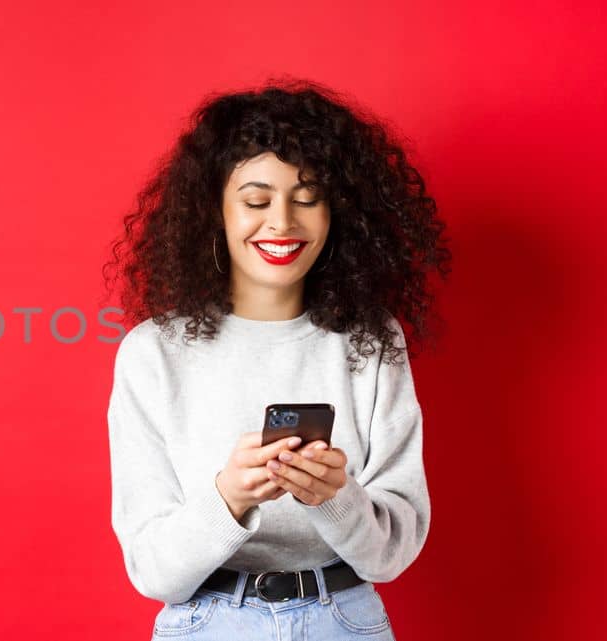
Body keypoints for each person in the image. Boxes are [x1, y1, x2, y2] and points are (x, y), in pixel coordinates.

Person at [101, 78, 451, 640]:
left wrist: (337, 498)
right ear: (214, 210)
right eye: (257, 201)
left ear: (339, 213)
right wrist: (230, 497)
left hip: (345, 621)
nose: (283, 223)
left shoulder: (371, 341)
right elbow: (153, 571)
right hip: (206, 624)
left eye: (308, 199)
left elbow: (388, 558)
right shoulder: (152, 353)